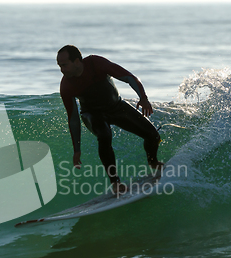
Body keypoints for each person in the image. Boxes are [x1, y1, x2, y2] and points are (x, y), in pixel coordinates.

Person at [57, 45, 163, 194]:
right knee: (104, 135)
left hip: (116, 107)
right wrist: (77, 149)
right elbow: (73, 118)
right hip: (92, 114)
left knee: (153, 135)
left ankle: (153, 162)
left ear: (76, 61)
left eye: (64, 65)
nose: (61, 69)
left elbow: (128, 77)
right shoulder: (66, 85)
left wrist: (143, 98)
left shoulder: (95, 64)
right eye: (59, 66)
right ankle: (116, 183)